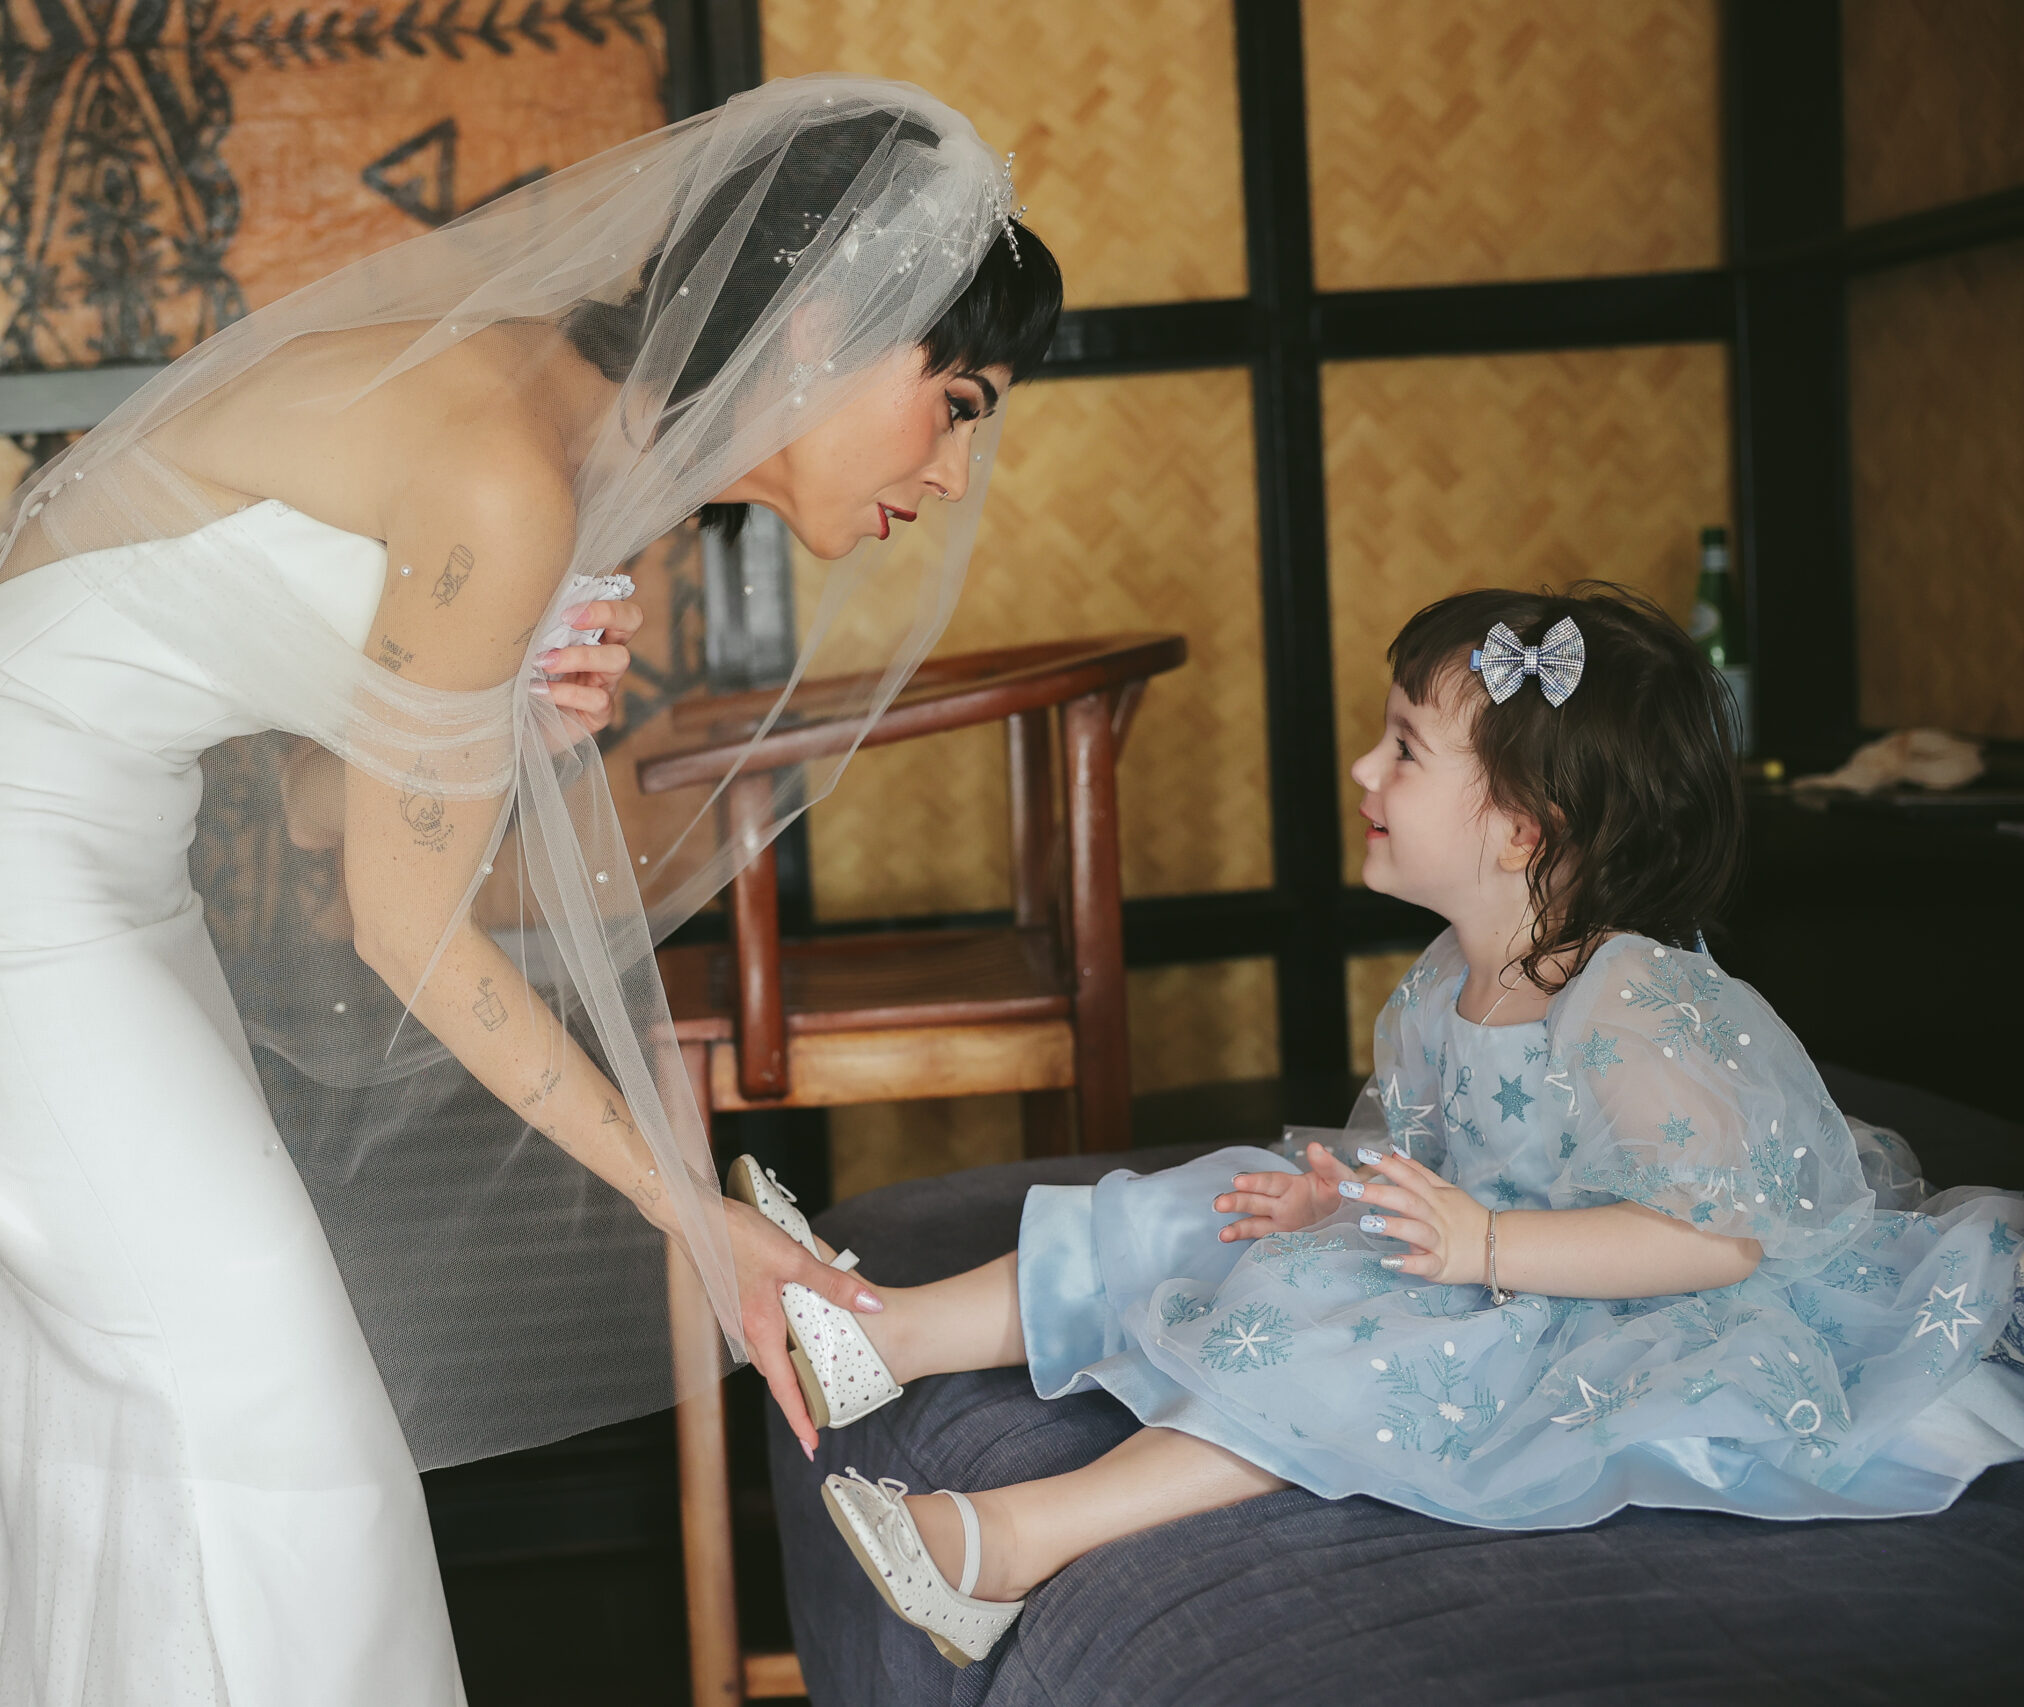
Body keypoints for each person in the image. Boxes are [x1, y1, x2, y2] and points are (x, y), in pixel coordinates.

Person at [0, 76, 1062, 1704]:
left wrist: (504, 719)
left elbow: (324, 811)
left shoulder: (578, 457)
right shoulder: (514, 477)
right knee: (272, 1412)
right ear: (821, 327)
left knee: (133, 1425)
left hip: (102, 866)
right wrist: (693, 1216)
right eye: (958, 399)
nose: (956, 471)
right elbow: (403, 927)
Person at [733, 583, 2024, 1668]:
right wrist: (1335, 1197)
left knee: (1364, 1343)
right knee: (1228, 1194)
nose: (1364, 768)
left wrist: (1486, 1251)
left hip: (1635, 1298)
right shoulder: (1444, 982)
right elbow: (1427, 1165)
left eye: (1405, 748)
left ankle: (1014, 1543)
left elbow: (1721, 1237)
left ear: (1519, 829)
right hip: (1491, 1251)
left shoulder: (1631, 1000)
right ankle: (888, 1333)